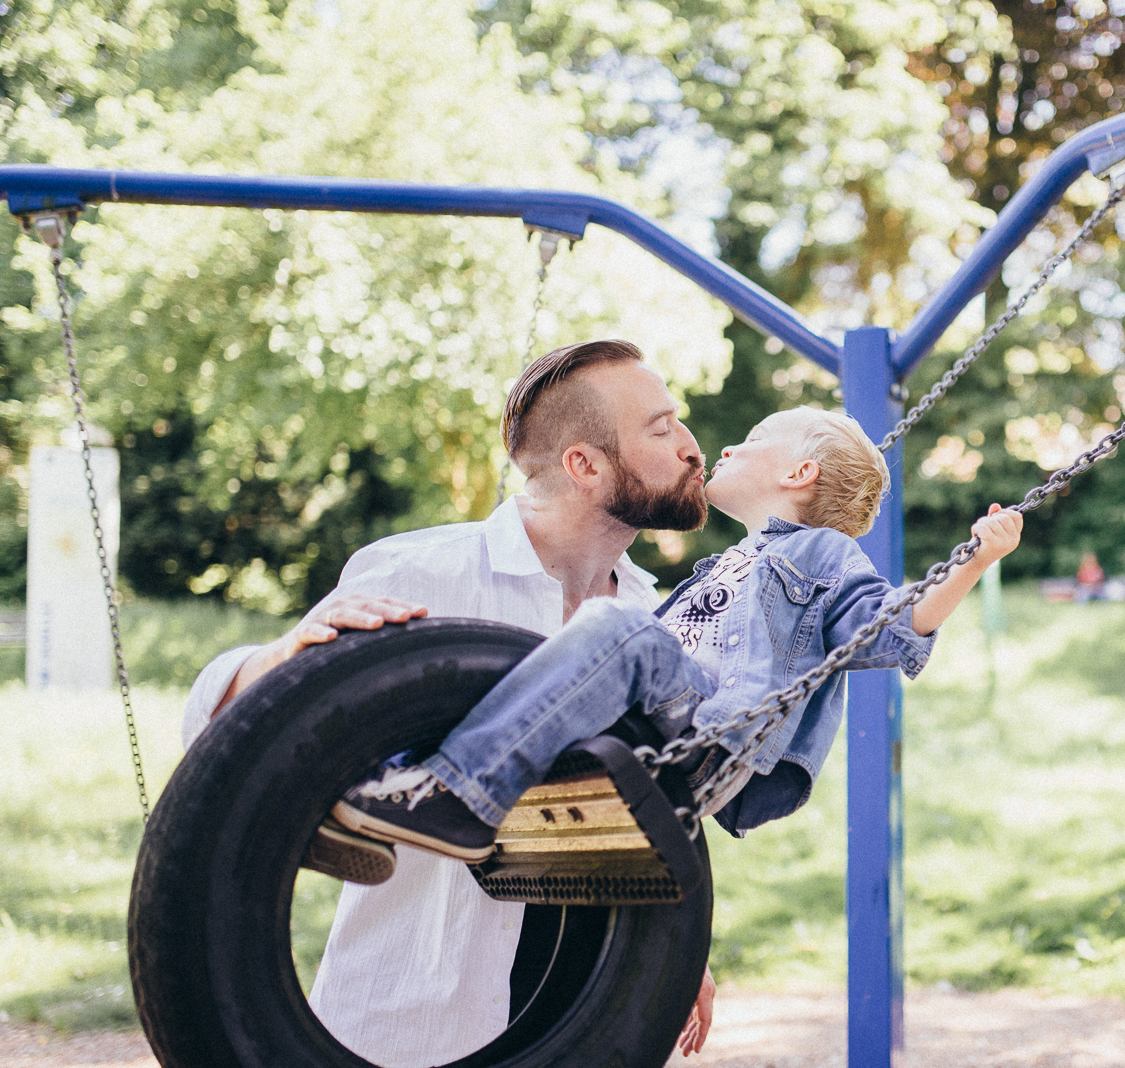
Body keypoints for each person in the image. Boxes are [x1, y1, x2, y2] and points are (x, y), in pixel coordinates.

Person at [180, 340, 716, 1067]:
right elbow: (235, 733)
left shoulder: (653, 622)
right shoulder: (426, 572)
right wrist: (280, 661)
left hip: (589, 1002)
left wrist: (675, 947)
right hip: (413, 1011)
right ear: (584, 465)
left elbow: (653, 800)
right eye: (661, 427)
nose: (690, 446)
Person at [326, 405, 1025, 868]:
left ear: (797, 473)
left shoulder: (817, 554)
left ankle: (454, 797)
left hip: (709, 737)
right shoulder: (726, 564)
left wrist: (977, 558)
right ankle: (385, 792)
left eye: (750, 442)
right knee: (532, 673)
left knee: (615, 628)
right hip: (649, 724)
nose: (723, 445)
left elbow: (895, 628)